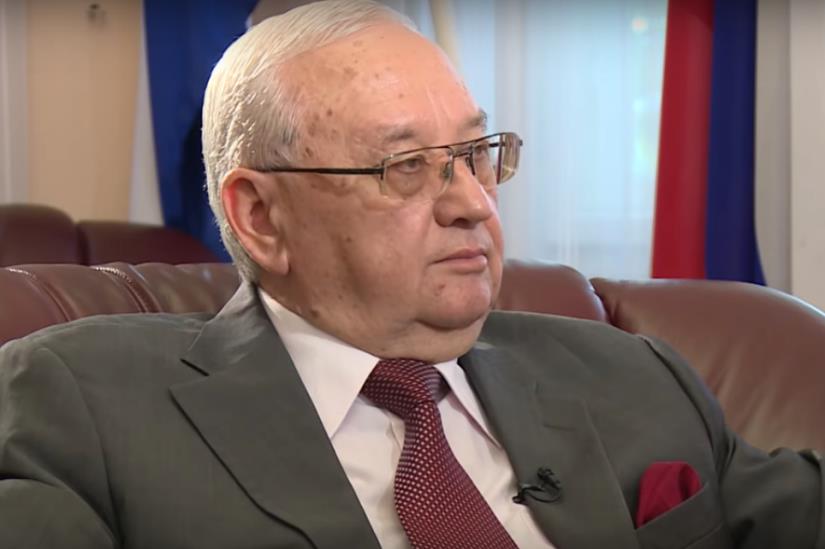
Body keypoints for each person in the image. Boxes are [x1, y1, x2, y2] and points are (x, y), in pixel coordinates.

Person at [0, 1, 822, 548]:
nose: (471, 203)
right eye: (405, 166)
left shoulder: (633, 374)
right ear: (260, 216)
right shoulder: (79, 406)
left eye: (475, 153)